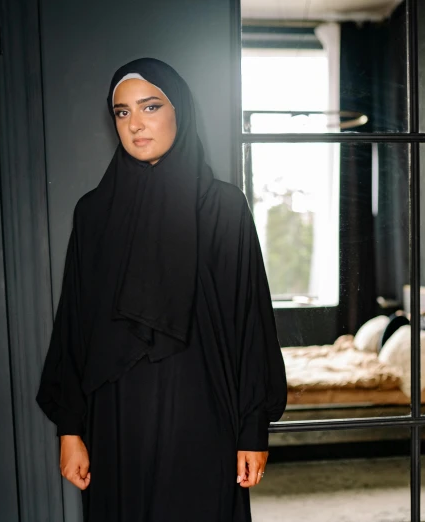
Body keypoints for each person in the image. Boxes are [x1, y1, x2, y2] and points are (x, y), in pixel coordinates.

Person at [36, 57, 288, 522]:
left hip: (202, 407)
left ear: (180, 112)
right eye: (122, 112)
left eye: (150, 106)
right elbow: (74, 322)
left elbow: (249, 321)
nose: (135, 124)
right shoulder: (93, 214)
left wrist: (253, 429)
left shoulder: (222, 208)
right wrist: (69, 429)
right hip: (115, 415)